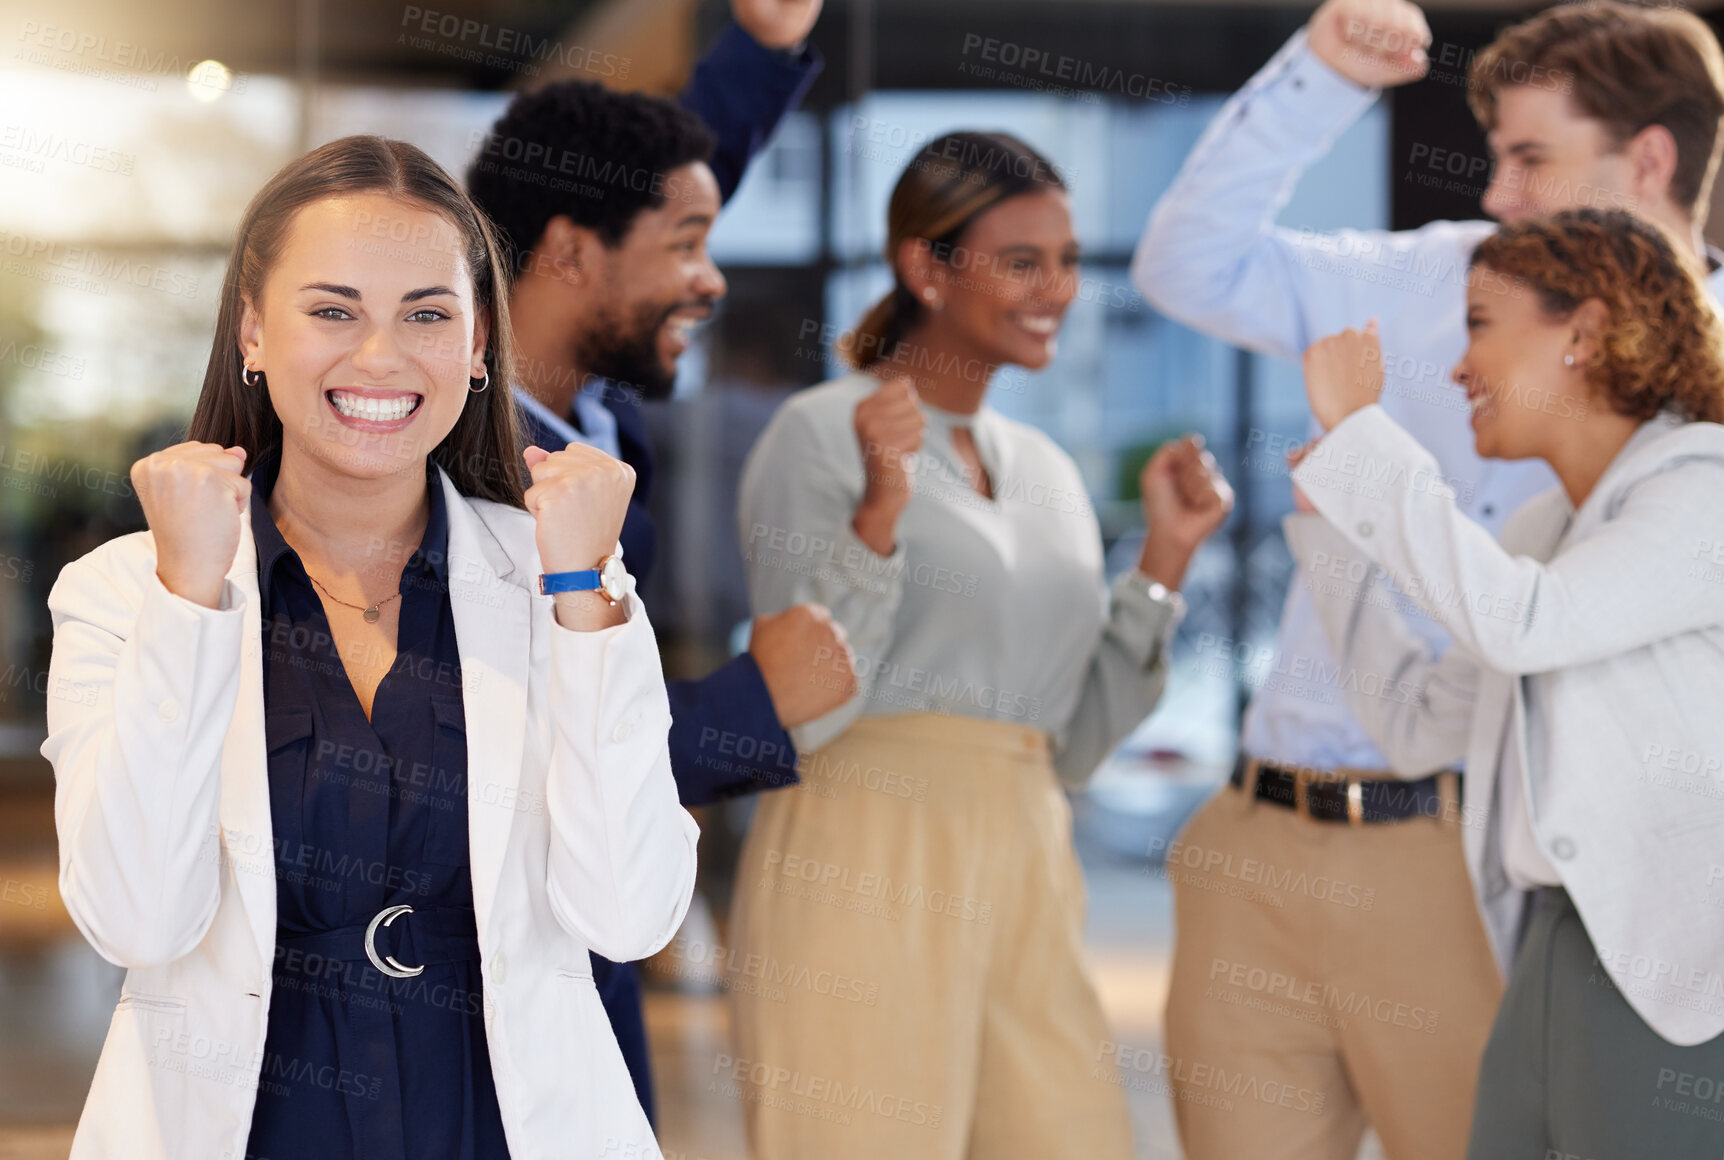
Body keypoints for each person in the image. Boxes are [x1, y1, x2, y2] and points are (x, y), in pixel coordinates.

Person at [1130, 0, 1724, 1154]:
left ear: (1645, 156)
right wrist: (1316, 78)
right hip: (1273, 820)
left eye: (1528, 157)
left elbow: (1522, 624)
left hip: (1483, 867)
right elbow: (1187, 263)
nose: (1493, 194)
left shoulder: (1697, 451)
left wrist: (1359, 443)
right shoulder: (1427, 281)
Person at [39, 135, 697, 1159]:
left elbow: (630, 914)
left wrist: (582, 594)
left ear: (480, 344)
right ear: (254, 330)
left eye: (427, 314)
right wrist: (189, 598)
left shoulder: (565, 576)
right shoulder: (125, 590)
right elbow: (138, 921)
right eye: (333, 309)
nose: (381, 357)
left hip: (494, 1126)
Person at [729, 130, 1234, 1160]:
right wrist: (879, 510)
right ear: (924, 266)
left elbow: (1074, 738)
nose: (1057, 286)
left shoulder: (1046, 469)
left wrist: (1163, 563)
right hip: (861, 844)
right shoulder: (818, 435)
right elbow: (803, 699)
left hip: (1027, 848)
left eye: (1065, 261)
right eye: (1022, 261)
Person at [464, 0, 856, 1124]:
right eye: (688, 247)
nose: (713, 277)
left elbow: (652, 182)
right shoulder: (462, 466)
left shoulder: (586, 397)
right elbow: (513, 754)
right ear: (570, 257)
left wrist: (765, 46)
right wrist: (756, 702)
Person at [1292, 206, 1724, 1157]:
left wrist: (1362, 434)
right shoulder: (1538, 534)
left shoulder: (1706, 489)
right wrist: (1330, 535)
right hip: (1546, 952)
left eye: (1480, 324)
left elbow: (1526, 624)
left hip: (1670, 976)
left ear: (1585, 332)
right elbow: (1415, 726)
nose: (1456, 367)